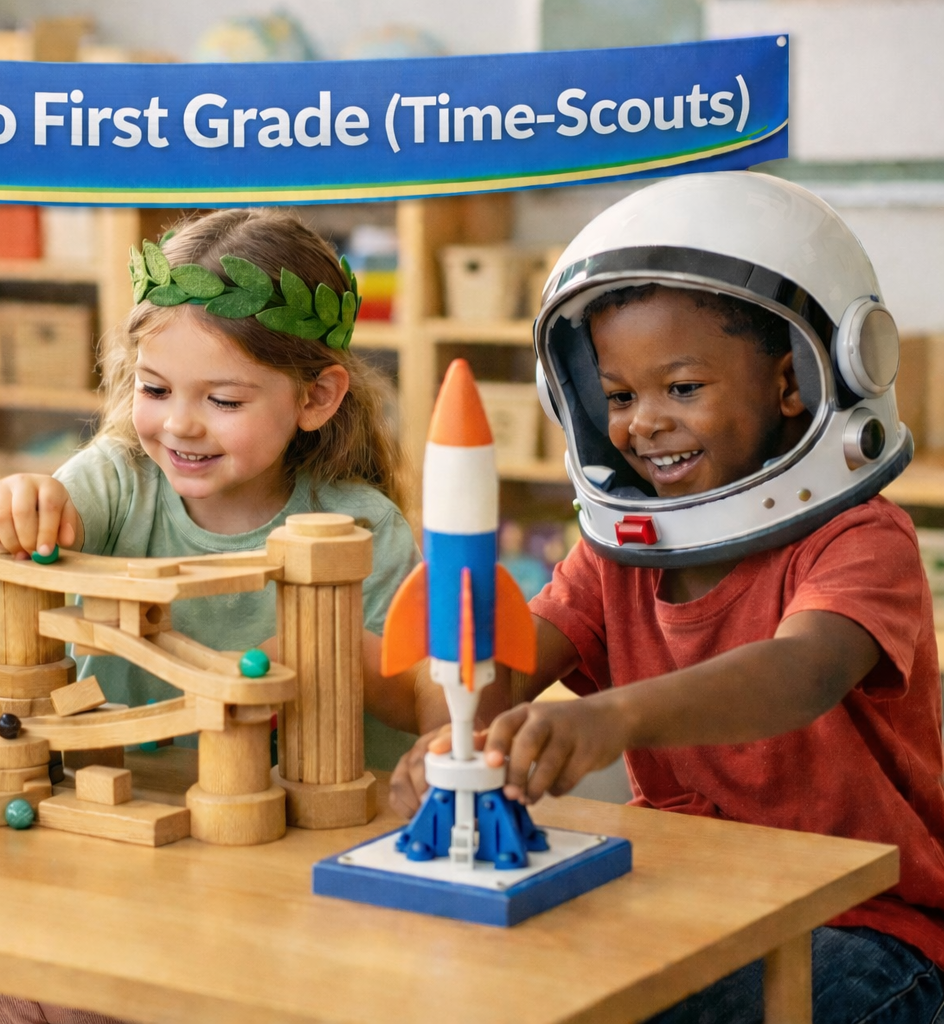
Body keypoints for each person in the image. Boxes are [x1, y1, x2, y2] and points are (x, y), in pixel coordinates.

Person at [391, 172, 944, 1023]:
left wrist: (610, 719)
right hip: (686, 897)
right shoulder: (616, 555)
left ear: (799, 380)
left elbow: (799, 671)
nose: (642, 423)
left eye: (682, 389)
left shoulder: (863, 540)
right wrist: (465, 736)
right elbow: (512, 665)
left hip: (868, 928)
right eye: (618, 396)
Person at [0, 209, 429, 1024]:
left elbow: (411, 701)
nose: (179, 423)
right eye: (156, 388)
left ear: (316, 397)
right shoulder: (119, 477)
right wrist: (12, 506)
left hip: (286, 855)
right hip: (125, 836)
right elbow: (20, 546)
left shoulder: (359, 526)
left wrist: (334, 653)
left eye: (224, 398)